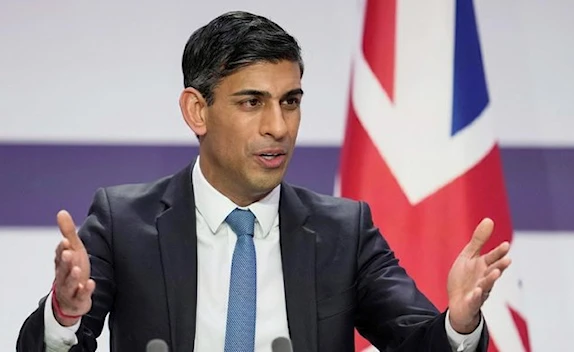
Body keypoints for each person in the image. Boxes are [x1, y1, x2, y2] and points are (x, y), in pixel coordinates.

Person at [17, 10, 511, 352]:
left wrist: (458, 324)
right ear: (197, 110)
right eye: (252, 102)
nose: (279, 126)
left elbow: (414, 341)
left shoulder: (344, 230)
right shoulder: (124, 223)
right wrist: (63, 315)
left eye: (290, 101)